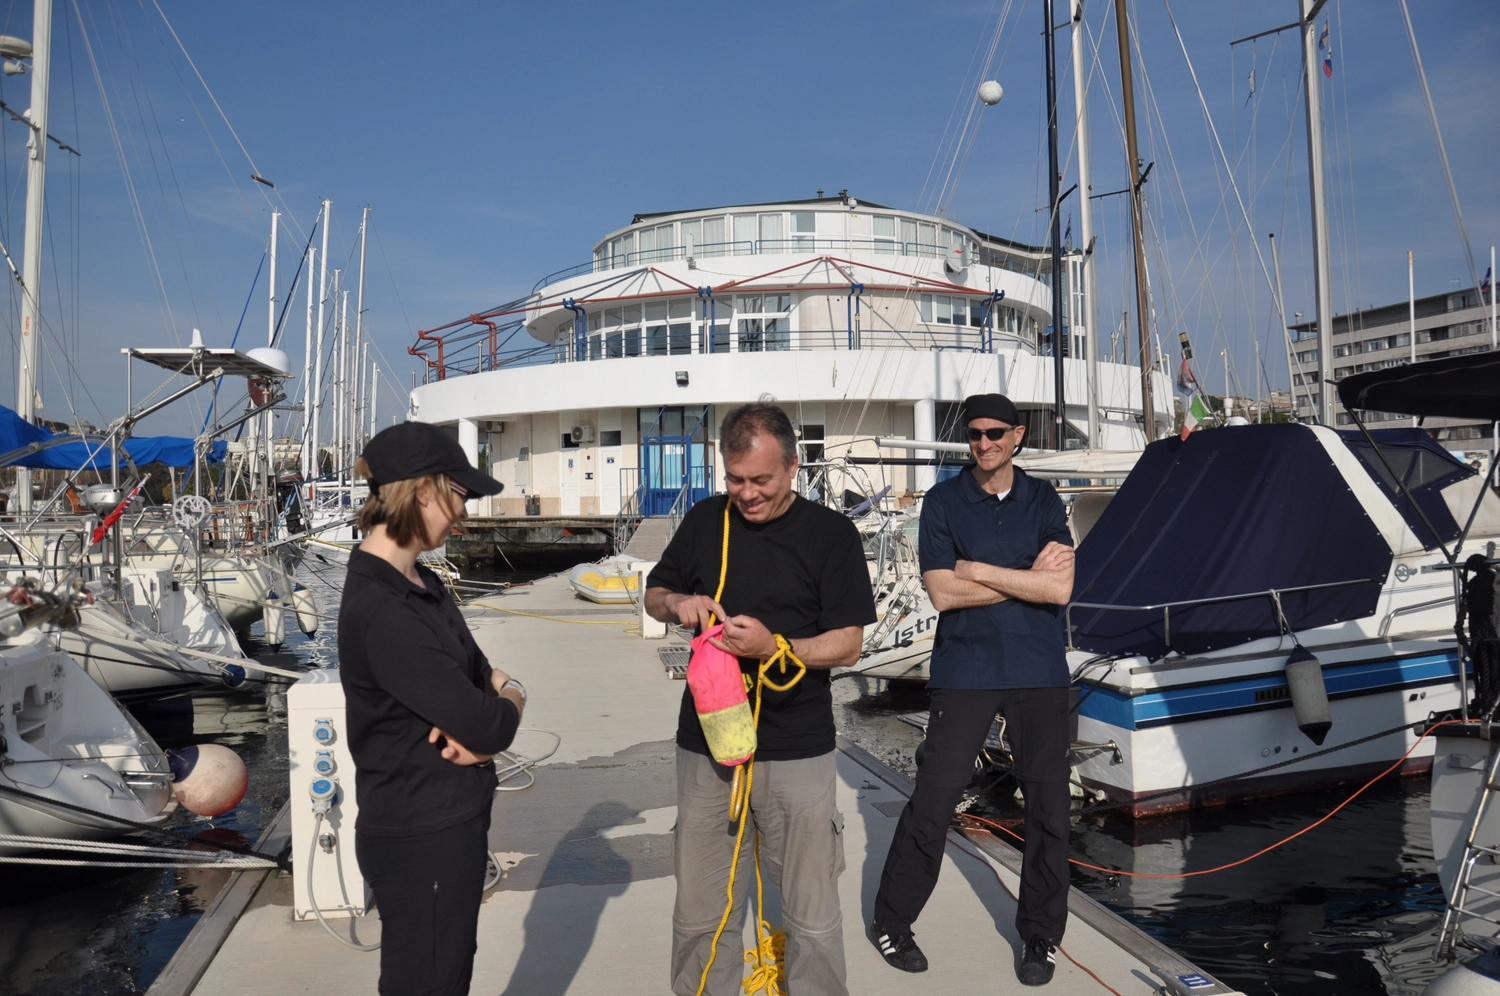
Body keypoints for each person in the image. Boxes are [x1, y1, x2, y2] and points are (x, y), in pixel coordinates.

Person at [645, 402, 877, 996]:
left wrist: (777, 646)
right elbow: (656, 594)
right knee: (700, 911)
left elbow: (848, 644)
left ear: (793, 467)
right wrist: (679, 606)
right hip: (708, 747)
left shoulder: (832, 535)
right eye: (735, 479)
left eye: (761, 481)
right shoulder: (703, 522)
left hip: (796, 751)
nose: (746, 494)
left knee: (811, 914)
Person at [869, 393, 1076, 987]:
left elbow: (1060, 590)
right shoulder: (942, 501)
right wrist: (1027, 579)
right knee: (933, 802)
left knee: (1050, 810)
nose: (983, 443)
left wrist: (978, 569)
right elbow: (941, 594)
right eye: (974, 434)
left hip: (1038, 671)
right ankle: (892, 921)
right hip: (965, 671)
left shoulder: (1043, 499)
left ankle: (1040, 935)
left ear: (1016, 436)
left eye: (994, 433)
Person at [339, 421, 526, 996]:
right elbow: (488, 719)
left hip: (451, 825)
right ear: (424, 490)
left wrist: (498, 691)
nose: (462, 513)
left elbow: (478, 671)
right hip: (421, 839)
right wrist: (512, 696)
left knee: (448, 973)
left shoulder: (421, 584)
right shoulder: (383, 609)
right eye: (460, 495)